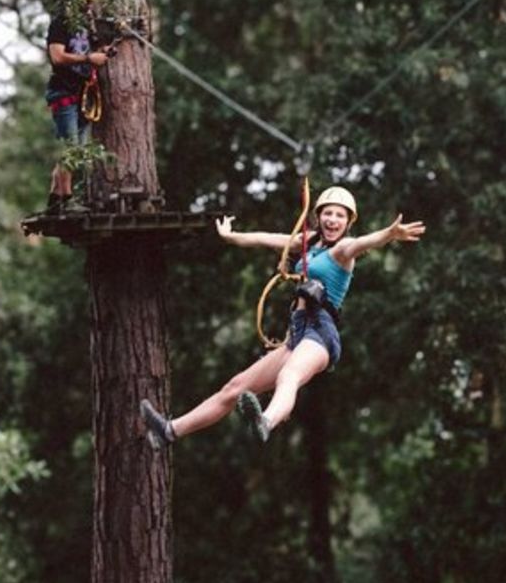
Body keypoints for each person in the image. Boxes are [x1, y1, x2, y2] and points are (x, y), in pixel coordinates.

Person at [140, 186, 425, 445]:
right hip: (296, 333)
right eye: (328, 213)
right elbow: (269, 239)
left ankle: (266, 421)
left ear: (348, 222)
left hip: (320, 334)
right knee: (234, 388)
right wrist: (232, 237)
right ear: (318, 217)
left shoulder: (342, 251)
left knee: (289, 375)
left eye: (340, 215)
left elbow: (364, 243)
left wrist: (389, 234)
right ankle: (169, 430)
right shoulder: (308, 244)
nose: (332, 220)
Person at [45, 0, 109, 214]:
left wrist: (102, 52)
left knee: (76, 151)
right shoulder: (60, 23)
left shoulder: (86, 27)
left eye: (91, 2)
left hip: (81, 95)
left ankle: (55, 199)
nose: (89, 6)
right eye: (86, 1)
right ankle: (68, 200)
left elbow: (93, 51)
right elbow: (57, 57)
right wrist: (88, 59)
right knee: (72, 150)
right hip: (64, 93)